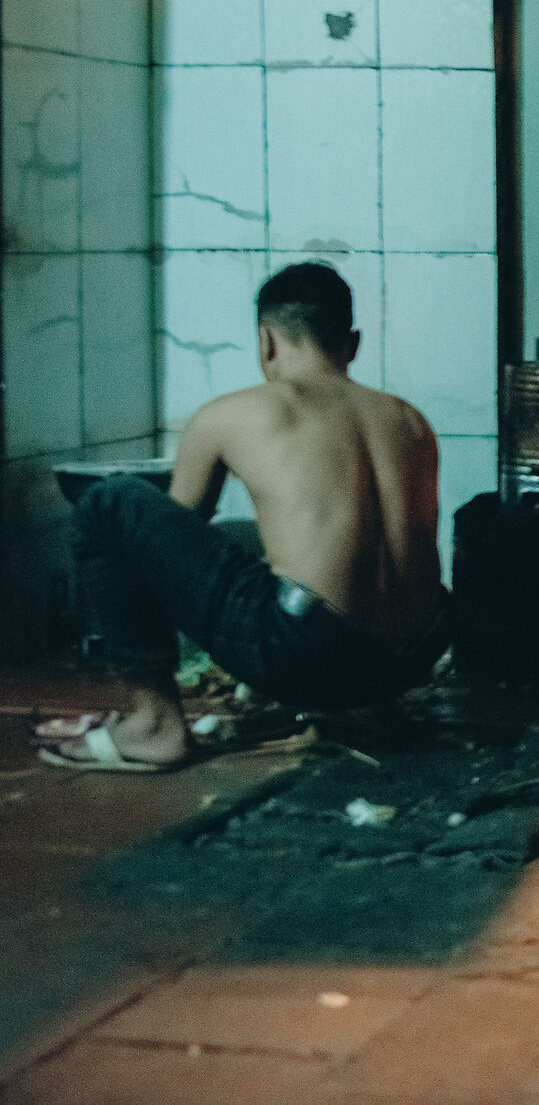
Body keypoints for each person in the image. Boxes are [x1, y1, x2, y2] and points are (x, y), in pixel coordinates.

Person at [36, 263, 450, 772]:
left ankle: (152, 725)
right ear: (353, 342)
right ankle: (373, 709)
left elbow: (167, 546)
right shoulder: (409, 419)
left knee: (108, 504)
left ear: (266, 342)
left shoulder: (230, 414)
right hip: (413, 658)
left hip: (311, 658)